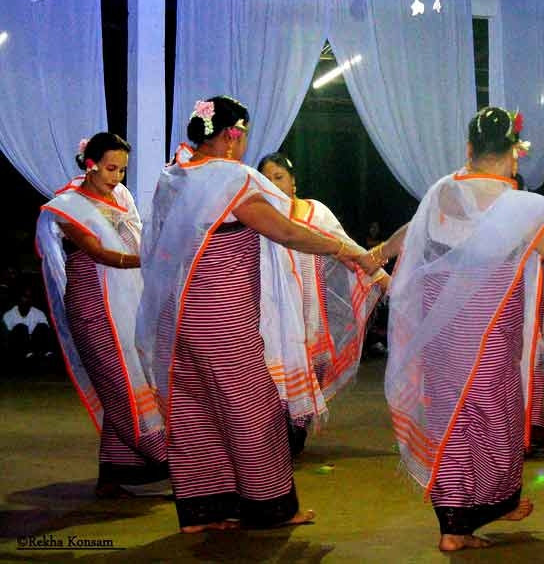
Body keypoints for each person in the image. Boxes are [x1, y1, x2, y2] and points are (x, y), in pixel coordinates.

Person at [377, 107, 544, 551]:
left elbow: (409, 233)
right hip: (489, 333)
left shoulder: (442, 192)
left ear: (469, 149)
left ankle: (455, 521)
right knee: (494, 415)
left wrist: (376, 253)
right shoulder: (516, 207)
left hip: (441, 334)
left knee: (450, 417)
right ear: (514, 154)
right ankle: (482, 506)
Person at [137, 96, 378, 533]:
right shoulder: (230, 179)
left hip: (179, 317)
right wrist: (345, 249)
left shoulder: (175, 176)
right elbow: (285, 231)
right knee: (254, 406)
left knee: (195, 407)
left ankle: (204, 509)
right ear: (233, 135)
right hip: (222, 318)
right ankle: (269, 506)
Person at [36, 132, 168, 499]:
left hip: (128, 300)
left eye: (122, 170)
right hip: (92, 308)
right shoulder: (69, 207)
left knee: (131, 379)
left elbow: (137, 236)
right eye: (111, 168)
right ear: (91, 164)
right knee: (120, 384)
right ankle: (168, 457)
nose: (117, 177)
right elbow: (99, 253)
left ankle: (114, 473)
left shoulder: (121, 196)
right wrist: (148, 261)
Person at [257, 152, 385, 456]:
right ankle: (277, 438)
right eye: (266, 179)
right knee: (274, 375)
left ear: (293, 182)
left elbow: (348, 248)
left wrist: (384, 279)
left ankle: (297, 431)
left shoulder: (315, 212)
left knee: (311, 368)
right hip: (271, 314)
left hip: (309, 313)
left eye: (279, 177)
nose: (273, 184)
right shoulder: (257, 217)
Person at [3, 286, 52, 363]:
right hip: (18, 347)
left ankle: (43, 354)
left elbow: (45, 331)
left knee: (43, 326)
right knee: (21, 328)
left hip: (35, 346)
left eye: (29, 297)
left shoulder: (39, 313)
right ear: (19, 298)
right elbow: (7, 338)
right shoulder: (8, 315)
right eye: (24, 296)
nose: (27, 300)